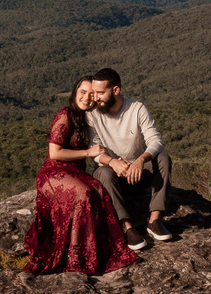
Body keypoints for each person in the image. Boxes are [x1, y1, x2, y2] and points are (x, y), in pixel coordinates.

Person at [23, 76, 142, 275]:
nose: (86, 97)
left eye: (91, 94)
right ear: (75, 93)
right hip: (53, 173)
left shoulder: (89, 118)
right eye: (82, 92)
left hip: (76, 172)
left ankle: (100, 248)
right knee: (84, 194)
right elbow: (55, 153)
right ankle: (77, 256)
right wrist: (88, 153)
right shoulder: (65, 114)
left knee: (98, 190)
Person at [87, 68, 174, 251]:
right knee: (101, 170)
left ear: (116, 90)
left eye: (100, 93)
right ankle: (127, 228)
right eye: (94, 93)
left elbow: (155, 140)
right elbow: (94, 151)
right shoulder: (92, 114)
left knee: (163, 158)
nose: (96, 98)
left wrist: (140, 160)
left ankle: (155, 220)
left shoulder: (136, 108)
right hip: (111, 176)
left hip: (137, 174)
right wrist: (112, 162)